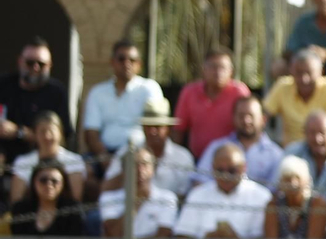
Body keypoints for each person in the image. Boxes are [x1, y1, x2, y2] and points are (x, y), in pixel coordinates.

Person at [167, 144, 273, 239]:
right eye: (220, 170)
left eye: (231, 170)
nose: (225, 175)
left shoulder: (261, 197)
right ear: (212, 168)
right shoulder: (198, 194)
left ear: (244, 168)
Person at [84, 149, 179, 239]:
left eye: (145, 165)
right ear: (123, 171)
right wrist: (134, 204)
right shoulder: (109, 198)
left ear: (153, 169)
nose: (140, 170)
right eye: (134, 165)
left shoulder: (167, 198)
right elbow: (115, 232)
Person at [1, 161, 88, 239]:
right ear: (34, 182)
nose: (49, 184)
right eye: (43, 180)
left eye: (55, 181)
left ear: (63, 183)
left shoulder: (72, 210)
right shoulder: (21, 209)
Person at [80, 40, 163, 174]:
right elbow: (91, 133)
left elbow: (156, 129)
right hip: (105, 155)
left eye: (132, 60)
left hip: (140, 154)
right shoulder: (97, 92)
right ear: (112, 62)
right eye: (121, 59)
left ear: (139, 64)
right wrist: (104, 158)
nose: (127, 63)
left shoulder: (149, 89)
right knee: (81, 171)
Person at [0, 38, 73, 174]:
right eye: (30, 63)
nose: (35, 68)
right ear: (20, 61)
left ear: (50, 65)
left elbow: (63, 137)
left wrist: (20, 132)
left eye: (41, 64)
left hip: (41, 159)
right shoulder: (3, 85)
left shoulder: (56, 92)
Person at [102, 98, 195, 199]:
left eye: (157, 126)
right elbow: (105, 188)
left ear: (168, 128)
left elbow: (186, 195)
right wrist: (129, 169)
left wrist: (161, 203)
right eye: (148, 126)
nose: (152, 131)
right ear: (142, 128)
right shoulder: (127, 152)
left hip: (169, 211)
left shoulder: (182, 157)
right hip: (130, 211)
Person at [173, 48, 253, 161]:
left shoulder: (239, 92)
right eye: (213, 67)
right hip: (197, 160)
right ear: (203, 69)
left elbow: (249, 125)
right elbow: (178, 130)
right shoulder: (189, 92)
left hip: (231, 162)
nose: (218, 72)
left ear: (231, 71)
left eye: (223, 68)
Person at [193, 97, 285, 189]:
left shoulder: (276, 155)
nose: (246, 120)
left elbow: (274, 191)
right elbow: (200, 181)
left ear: (263, 120)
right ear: (233, 117)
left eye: (251, 116)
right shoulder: (216, 147)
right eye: (241, 116)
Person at [264, 50, 326, 145]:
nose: (304, 79)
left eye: (309, 73)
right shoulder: (283, 86)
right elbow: (263, 117)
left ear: (321, 71)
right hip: (291, 152)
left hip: (322, 150)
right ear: (291, 71)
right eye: (299, 73)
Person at [8, 111, 86, 205]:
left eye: (51, 131)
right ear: (35, 135)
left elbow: (76, 199)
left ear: (60, 133)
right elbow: (16, 200)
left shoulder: (74, 160)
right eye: (42, 131)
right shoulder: (23, 162)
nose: (47, 136)